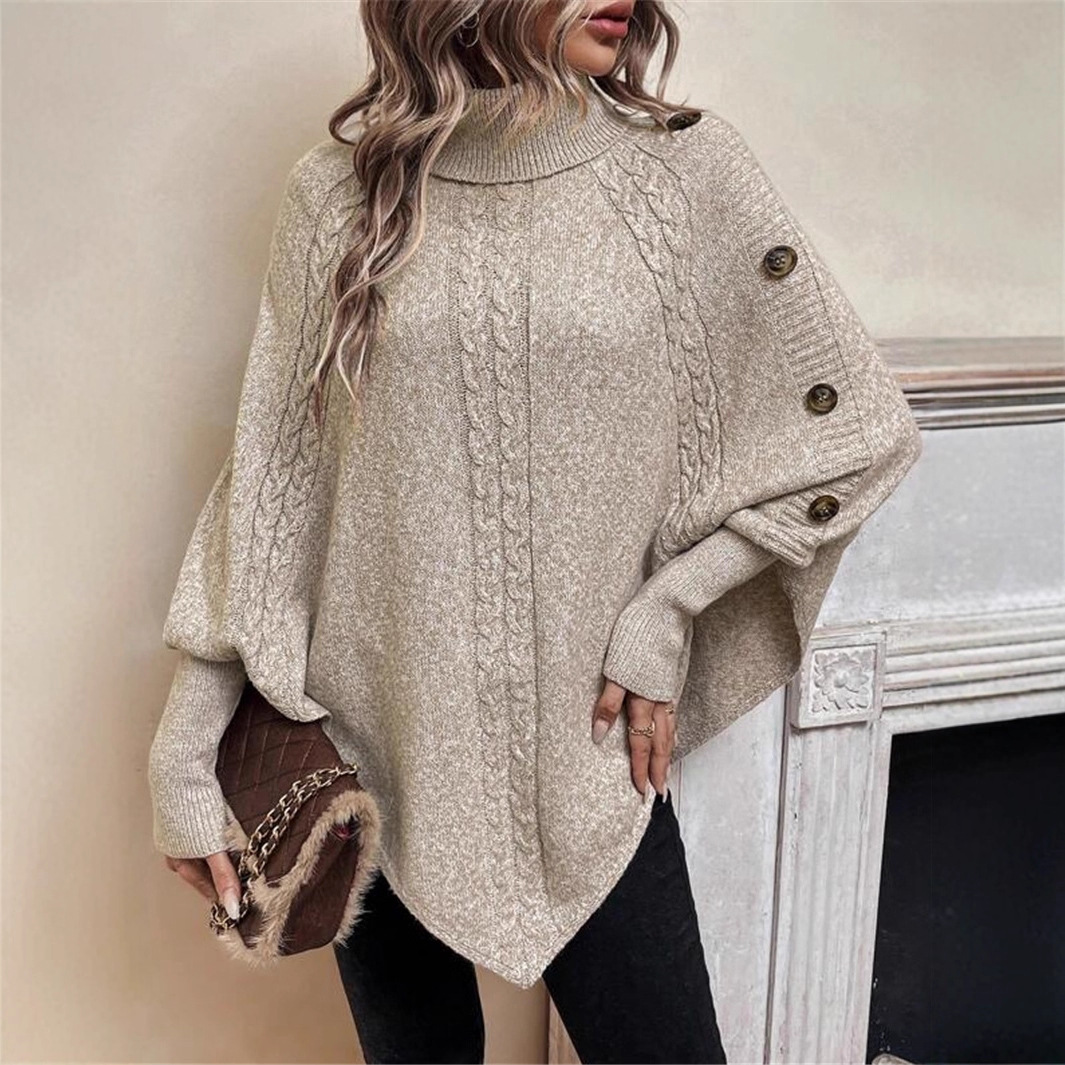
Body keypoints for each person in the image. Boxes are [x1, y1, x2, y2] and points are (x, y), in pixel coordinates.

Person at [148, 1, 923, 1062]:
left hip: (594, 760)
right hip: (373, 757)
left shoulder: (686, 172)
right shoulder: (339, 197)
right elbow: (275, 478)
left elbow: (859, 432)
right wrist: (183, 751)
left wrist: (671, 604)